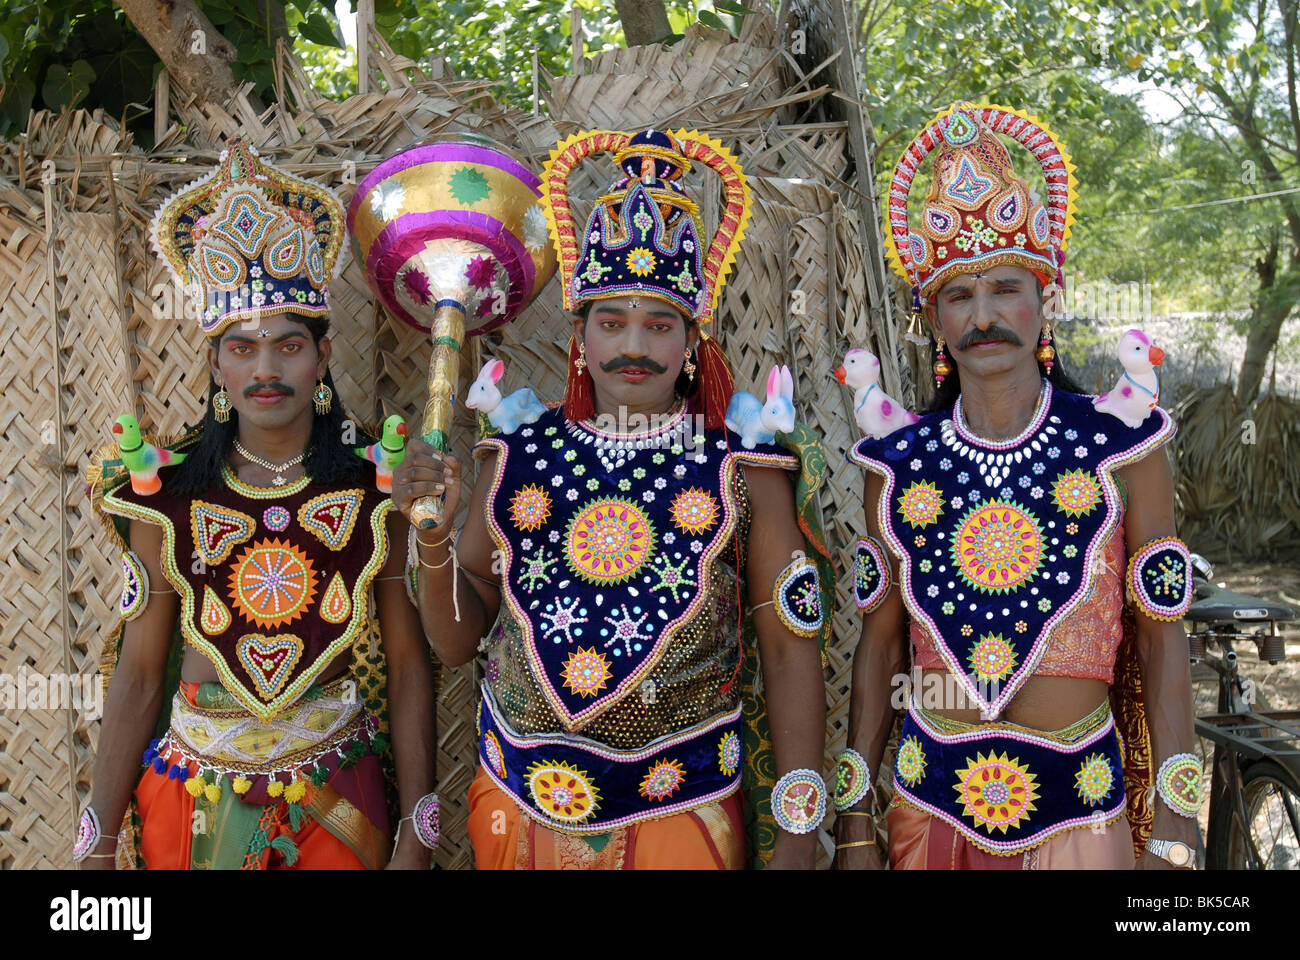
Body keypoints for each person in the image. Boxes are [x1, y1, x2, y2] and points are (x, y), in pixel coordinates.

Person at [392, 129, 832, 869]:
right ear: (581, 339)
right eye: (612, 322)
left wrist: (794, 839)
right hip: (517, 811)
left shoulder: (743, 470)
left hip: (682, 816)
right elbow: (456, 643)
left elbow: (790, 654)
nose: (635, 346)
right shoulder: (513, 456)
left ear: (692, 344)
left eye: (659, 325)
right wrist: (432, 540)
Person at [833, 104, 1200, 870]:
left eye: (1006, 289)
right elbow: (881, 645)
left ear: (1046, 301)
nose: (984, 316)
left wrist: (1178, 816)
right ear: (932, 319)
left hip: (1082, 810)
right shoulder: (894, 465)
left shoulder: (1124, 445)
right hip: (928, 808)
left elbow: (1163, 635)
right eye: (958, 297)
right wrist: (856, 824)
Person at [79, 139, 438, 869]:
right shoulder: (165, 493)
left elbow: (408, 666)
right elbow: (142, 675)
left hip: (337, 801)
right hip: (191, 803)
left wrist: (418, 831)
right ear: (214, 363)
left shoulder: (375, 489)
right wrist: (98, 840)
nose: (266, 368)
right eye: (240, 349)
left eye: (287, 346)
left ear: (322, 356)